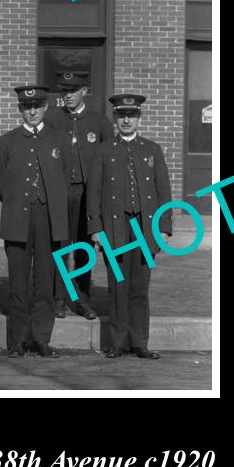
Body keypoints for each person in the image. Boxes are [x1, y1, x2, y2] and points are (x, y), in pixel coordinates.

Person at [86, 94, 172, 360]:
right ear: (115, 118)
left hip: (145, 228)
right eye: (121, 115)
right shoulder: (103, 150)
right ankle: (118, 342)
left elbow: (163, 191)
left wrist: (164, 227)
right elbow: (94, 192)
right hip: (115, 228)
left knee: (139, 287)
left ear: (139, 119)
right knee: (118, 285)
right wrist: (96, 229)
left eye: (131, 116)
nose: (126, 120)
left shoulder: (152, 149)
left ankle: (140, 342)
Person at [0, 85, 69, 358]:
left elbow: (66, 178)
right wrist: (18, 206)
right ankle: (18, 341)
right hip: (17, 219)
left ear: (46, 107)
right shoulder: (7, 142)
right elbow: (0, 183)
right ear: (20, 109)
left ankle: (41, 339)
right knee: (19, 284)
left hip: (49, 219)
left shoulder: (59, 140)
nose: (32, 111)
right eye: (26, 107)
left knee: (45, 282)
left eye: (37, 106)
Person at [44, 70, 114, 319]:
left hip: (87, 195)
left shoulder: (100, 122)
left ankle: (82, 299)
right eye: (64, 91)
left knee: (84, 246)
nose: (68, 96)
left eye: (73, 91)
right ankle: (59, 298)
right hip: (61, 194)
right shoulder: (52, 119)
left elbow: (110, 160)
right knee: (60, 246)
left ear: (84, 91)